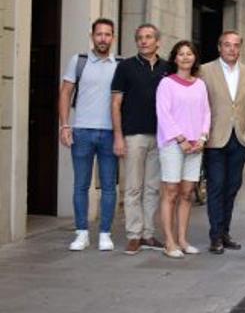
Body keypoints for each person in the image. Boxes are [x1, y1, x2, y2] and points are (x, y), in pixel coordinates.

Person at [58, 18, 120, 252]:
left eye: (108, 34)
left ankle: (105, 233)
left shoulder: (120, 64)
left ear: (113, 37)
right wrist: (65, 126)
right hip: (81, 131)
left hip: (110, 133)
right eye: (99, 34)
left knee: (108, 186)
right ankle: (81, 233)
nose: (103, 38)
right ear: (92, 36)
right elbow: (65, 94)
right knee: (81, 185)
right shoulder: (79, 61)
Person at [200, 30, 245, 254]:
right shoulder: (205, 71)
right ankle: (215, 236)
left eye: (236, 45)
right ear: (219, 47)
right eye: (227, 45)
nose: (232, 49)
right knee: (216, 186)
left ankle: (225, 232)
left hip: (240, 139)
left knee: (232, 187)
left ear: (240, 48)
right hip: (215, 139)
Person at [111, 23, 168, 255]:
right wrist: (118, 137)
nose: (144, 41)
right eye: (140, 38)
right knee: (133, 188)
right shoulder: (125, 67)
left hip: (161, 137)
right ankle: (134, 235)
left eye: (148, 37)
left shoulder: (168, 67)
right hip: (134, 135)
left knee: (153, 188)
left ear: (157, 41)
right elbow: (116, 104)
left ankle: (148, 234)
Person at [155, 40, 210, 259]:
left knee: (187, 193)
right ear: (174, 58)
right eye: (181, 54)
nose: (185, 57)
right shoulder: (167, 84)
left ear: (195, 58)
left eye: (189, 54)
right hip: (172, 145)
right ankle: (169, 242)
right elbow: (163, 113)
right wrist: (181, 139)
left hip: (196, 145)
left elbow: (206, 112)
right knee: (171, 192)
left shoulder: (200, 85)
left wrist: (203, 137)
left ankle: (182, 239)